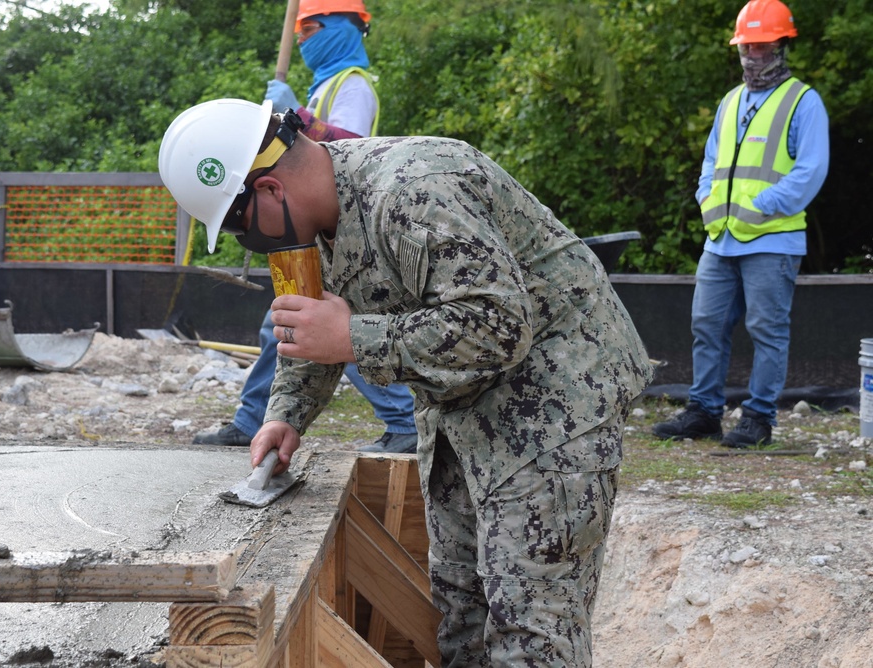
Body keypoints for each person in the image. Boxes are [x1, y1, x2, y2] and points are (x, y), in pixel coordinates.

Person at [158, 98, 653, 666]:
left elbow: (498, 326)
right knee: (462, 613)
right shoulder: (313, 221)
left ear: (269, 190)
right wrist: (286, 413)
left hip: (556, 401)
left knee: (530, 630)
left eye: (241, 227)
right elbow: (312, 323)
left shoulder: (413, 193)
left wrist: (354, 338)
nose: (255, 246)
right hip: (460, 409)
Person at [192, 0, 419, 454]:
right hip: (311, 222)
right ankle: (255, 418)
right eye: (299, 33)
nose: (303, 39)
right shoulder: (323, 86)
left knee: (334, 327)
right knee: (283, 323)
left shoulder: (352, 86)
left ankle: (403, 420)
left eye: (312, 27)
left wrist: (296, 116)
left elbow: (351, 152)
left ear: (346, 26)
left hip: (342, 223)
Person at [652, 0, 829, 449]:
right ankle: (704, 412)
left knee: (767, 331)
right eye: (746, 46)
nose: (752, 55)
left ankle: (758, 419)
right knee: (705, 324)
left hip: (773, 240)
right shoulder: (731, 101)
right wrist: (706, 198)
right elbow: (711, 161)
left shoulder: (803, 102)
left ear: (782, 47)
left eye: (762, 46)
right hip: (722, 240)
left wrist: (761, 205)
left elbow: (810, 170)